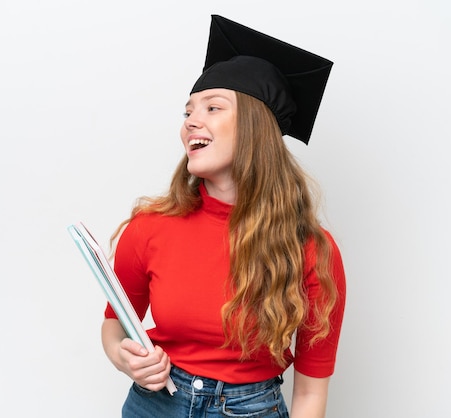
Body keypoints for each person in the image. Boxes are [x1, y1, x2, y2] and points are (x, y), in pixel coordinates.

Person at [101, 15, 346, 418]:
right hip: (154, 406)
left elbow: (310, 395)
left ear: (256, 128)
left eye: (213, 107)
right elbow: (114, 325)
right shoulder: (150, 227)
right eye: (188, 112)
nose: (191, 122)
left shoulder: (313, 251)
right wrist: (124, 357)